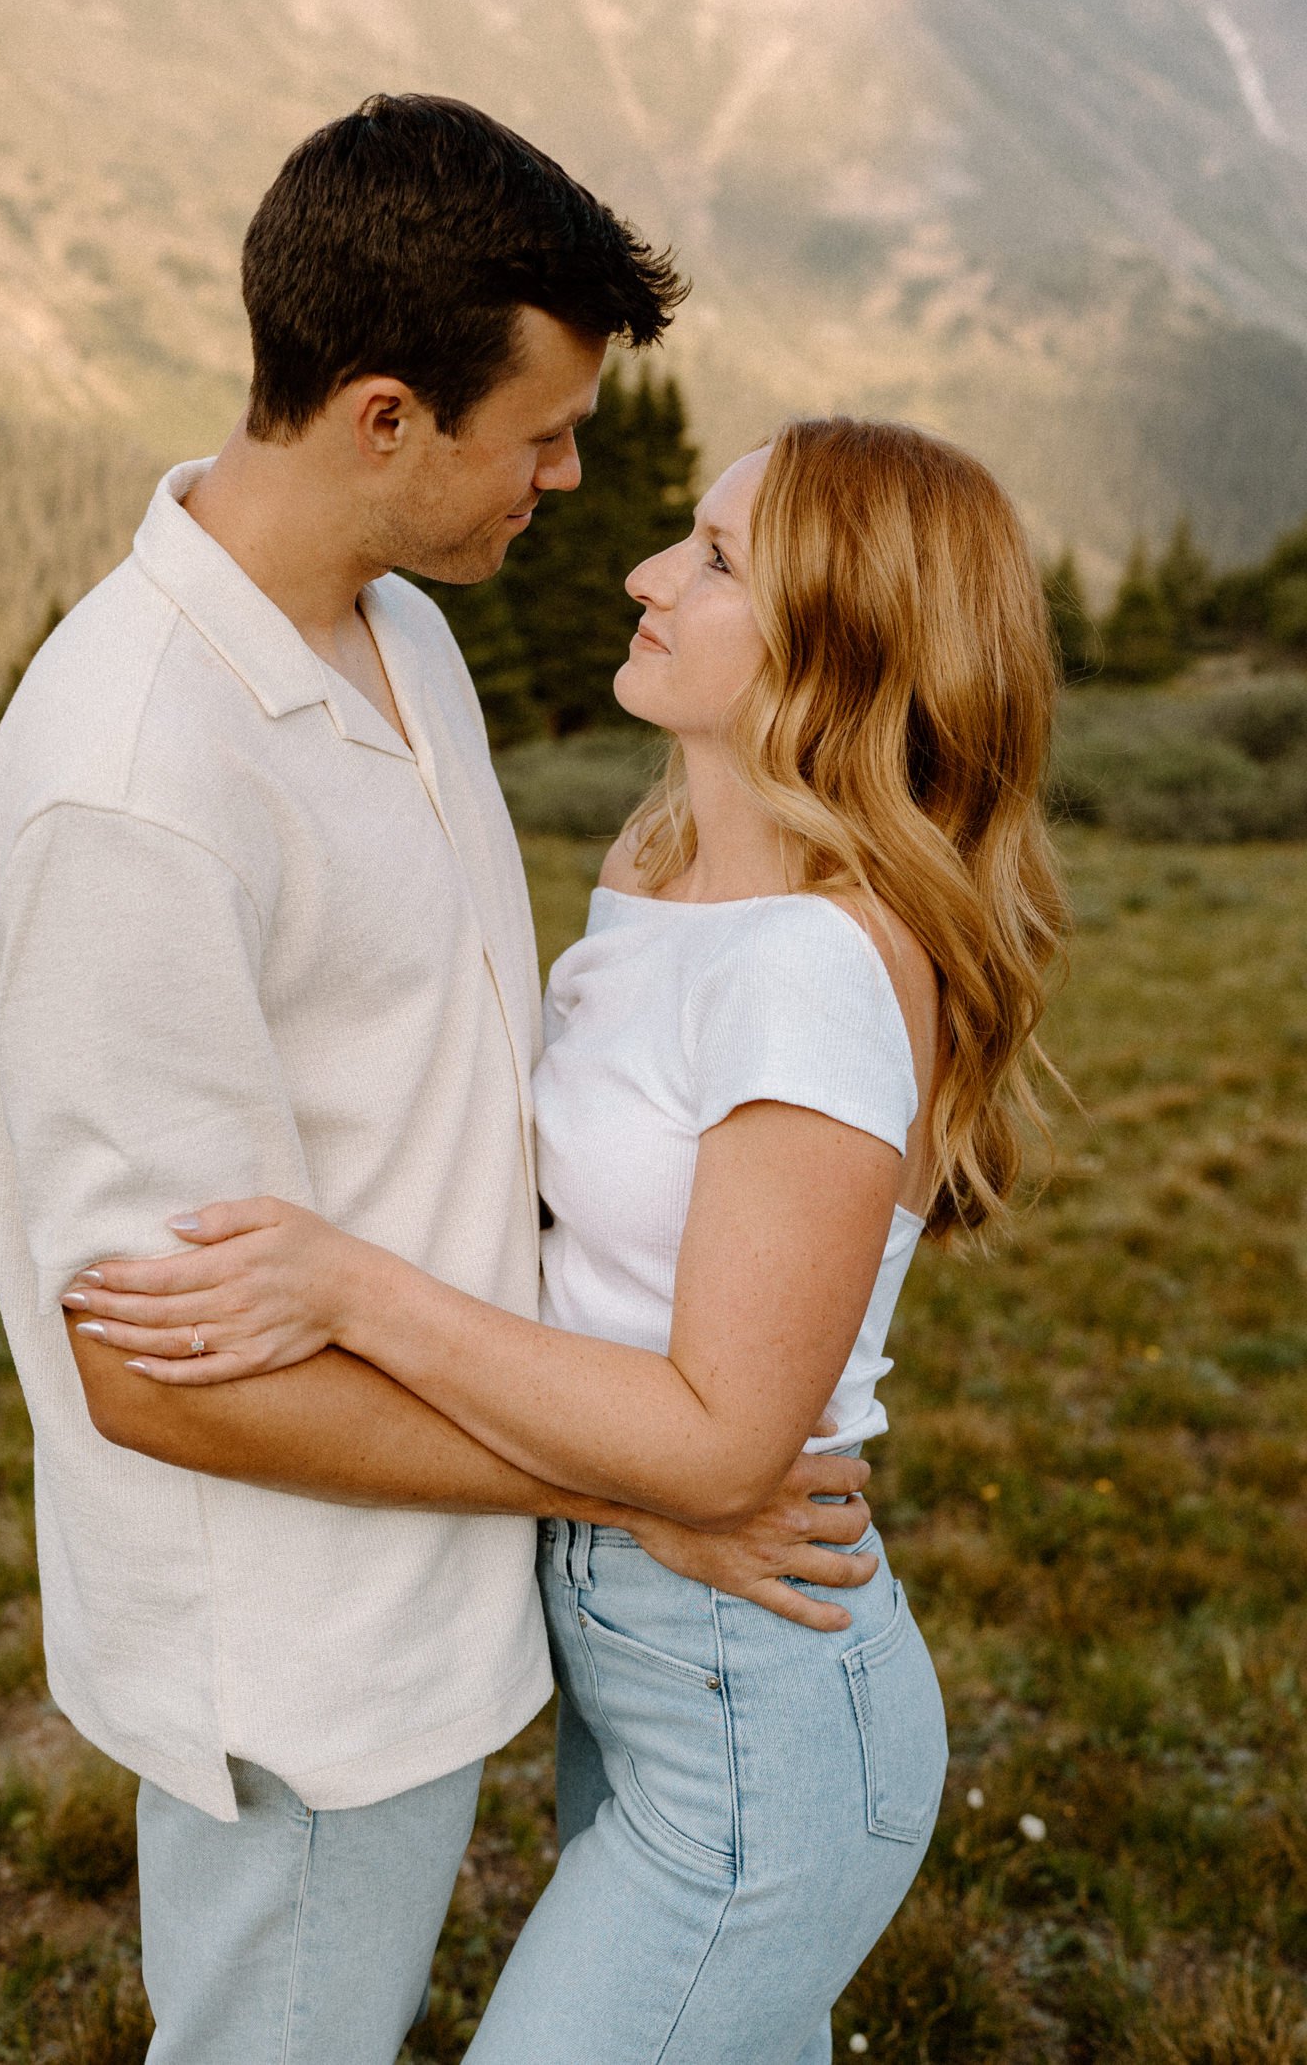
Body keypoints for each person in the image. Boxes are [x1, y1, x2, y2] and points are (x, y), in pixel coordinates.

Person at [0, 96, 897, 2065]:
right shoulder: (131, 787)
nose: (573, 476)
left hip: (451, 1564)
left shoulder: (396, 625)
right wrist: (644, 1485)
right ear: (384, 416)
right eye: (540, 432)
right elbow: (150, 1367)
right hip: (305, 1641)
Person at [68, 415, 1069, 2063]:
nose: (647, 574)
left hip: (753, 1711)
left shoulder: (815, 969)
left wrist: (351, 1288)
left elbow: (723, 1443)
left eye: (719, 561)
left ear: (841, 644)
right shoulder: (658, 870)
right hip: (643, 1667)